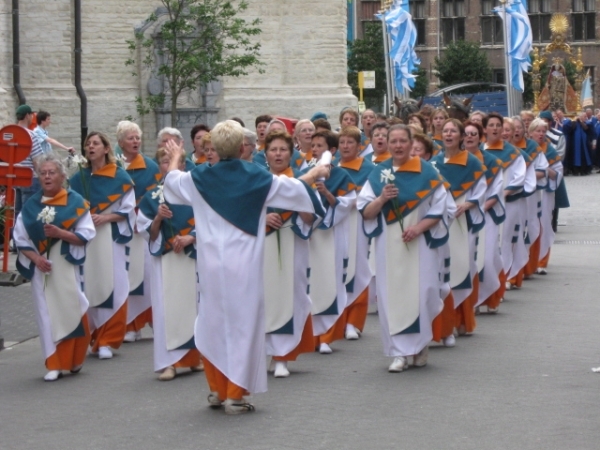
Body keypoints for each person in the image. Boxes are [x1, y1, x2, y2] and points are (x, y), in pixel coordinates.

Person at [162, 120, 327, 414]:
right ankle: (235, 395)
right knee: (244, 327)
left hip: (210, 265)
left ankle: (216, 389)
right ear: (242, 148)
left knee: (212, 323)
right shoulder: (257, 177)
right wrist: (317, 171)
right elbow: (295, 189)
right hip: (244, 264)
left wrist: (176, 155)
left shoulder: (198, 178)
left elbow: (172, 181)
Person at [358, 124, 448, 372]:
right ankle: (398, 352)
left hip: (420, 245)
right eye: (393, 141)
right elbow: (365, 212)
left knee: (423, 293)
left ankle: (419, 345)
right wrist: (382, 199)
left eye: (402, 141)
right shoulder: (379, 174)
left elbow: (440, 209)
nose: (398, 146)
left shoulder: (426, 171)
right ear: (387, 143)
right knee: (392, 296)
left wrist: (419, 228)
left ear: (411, 143)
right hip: (389, 246)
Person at [14, 153, 95, 381]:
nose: (47, 177)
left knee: (76, 306)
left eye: (51, 173)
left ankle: (76, 358)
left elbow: (86, 234)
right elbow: (20, 239)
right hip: (43, 269)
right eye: (43, 173)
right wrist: (36, 259)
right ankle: (55, 363)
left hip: (67, 266)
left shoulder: (76, 201)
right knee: (46, 313)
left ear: (62, 176)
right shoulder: (31, 206)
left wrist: (61, 233)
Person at [137, 148, 203, 381]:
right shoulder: (152, 196)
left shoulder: (194, 191)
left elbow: (209, 219)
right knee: (168, 309)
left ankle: (193, 358)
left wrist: (191, 236)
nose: (168, 166)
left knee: (193, 306)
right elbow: (147, 232)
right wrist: (158, 218)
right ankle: (169, 363)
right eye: (163, 162)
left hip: (191, 255)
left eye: (172, 162)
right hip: (166, 258)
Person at [69, 132, 135, 360]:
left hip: (110, 237)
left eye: (95, 143)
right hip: (86, 239)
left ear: (106, 148)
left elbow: (128, 209)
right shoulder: (79, 179)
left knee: (114, 284)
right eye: (88, 143)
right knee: (90, 283)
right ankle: (94, 337)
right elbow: (70, 207)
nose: (90, 147)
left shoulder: (120, 177)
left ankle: (108, 340)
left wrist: (106, 218)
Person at [262, 131, 318, 378]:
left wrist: (298, 206)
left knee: (290, 294)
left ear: (291, 153)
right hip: (262, 246)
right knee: (265, 296)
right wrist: (263, 217)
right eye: (273, 150)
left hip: (292, 241)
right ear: (265, 155)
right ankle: (265, 351)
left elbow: (312, 217)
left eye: (283, 150)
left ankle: (283, 356)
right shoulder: (258, 182)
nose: (278, 154)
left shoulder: (299, 182)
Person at [431, 119, 486, 336]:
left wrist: (468, 204)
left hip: (462, 218)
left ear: (462, 137)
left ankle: (461, 319)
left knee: (462, 264)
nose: (448, 134)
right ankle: (445, 322)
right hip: (442, 218)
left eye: (453, 131)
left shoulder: (471, 162)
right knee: (442, 268)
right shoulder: (434, 162)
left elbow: (481, 189)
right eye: (445, 131)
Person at [307, 130, 356, 354]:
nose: (314, 149)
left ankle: (327, 336)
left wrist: (327, 193)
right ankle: (312, 336)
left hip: (333, 234)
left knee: (331, 281)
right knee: (313, 283)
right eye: (313, 145)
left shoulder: (342, 176)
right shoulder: (305, 173)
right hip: (312, 236)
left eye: (320, 146)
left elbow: (347, 205)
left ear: (332, 151)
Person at [116, 121, 161, 342]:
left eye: (137, 137)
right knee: (128, 275)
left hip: (142, 228)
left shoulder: (151, 167)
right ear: (120, 142)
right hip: (121, 228)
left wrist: (141, 215)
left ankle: (152, 320)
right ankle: (131, 325)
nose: (136, 141)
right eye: (131, 138)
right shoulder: (115, 167)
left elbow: (155, 196)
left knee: (146, 275)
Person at [336, 126, 375, 341]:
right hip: (338, 223)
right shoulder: (332, 168)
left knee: (358, 267)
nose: (345, 146)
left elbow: (370, 196)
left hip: (358, 222)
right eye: (342, 142)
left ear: (359, 146)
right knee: (339, 269)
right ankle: (339, 319)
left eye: (350, 142)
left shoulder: (367, 169)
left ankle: (354, 321)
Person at [463, 121, 505, 313]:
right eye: (466, 134)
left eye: (474, 134)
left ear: (481, 138)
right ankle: (472, 301)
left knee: (487, 258)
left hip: (485, 215)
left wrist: (480, 207)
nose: (470, 137)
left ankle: (490, 298)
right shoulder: (454, 161)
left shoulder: (492, 162)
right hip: (462, 217)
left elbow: (496, 191)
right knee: (468, 259)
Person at [482, 113, 526, 293]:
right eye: (490, 125)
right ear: (484, 129)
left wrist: (502, 194)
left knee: (504, 240)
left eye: (498, 125)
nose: (494, 128)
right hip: (483, 205)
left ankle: (505, 276)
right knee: (488, 243)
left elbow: (519, 177)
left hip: (508, 202)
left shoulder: (512, 153)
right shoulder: (477, 151)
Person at [14, 105, 44, 218]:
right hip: (30, 179)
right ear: (27, 116)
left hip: (14, 180)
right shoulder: (30, 135)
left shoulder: (10, 133)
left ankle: (14, 236)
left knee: (15, 216)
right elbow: (38, 161)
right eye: (31, 115)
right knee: (29, 215)